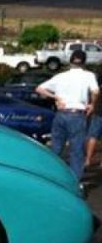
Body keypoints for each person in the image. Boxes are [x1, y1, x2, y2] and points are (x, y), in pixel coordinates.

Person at [36, 50, 99, 180]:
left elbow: (39, 88)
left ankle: (51, 178)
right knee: (76, 151)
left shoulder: (61, 76)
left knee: (56, 148)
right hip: (77, 114)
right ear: (84, 62)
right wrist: (92, 104)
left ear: (70, 61)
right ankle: (74, 182)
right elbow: (96, 91)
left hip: (61, 114)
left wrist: (55, 97)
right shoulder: (88, 75)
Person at [85, 66, 102, 168]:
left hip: (99, 110)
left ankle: (88, 159)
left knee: (92, 136)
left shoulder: (97, 83)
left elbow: (94, 92)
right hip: (98, 110)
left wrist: (92, 105)